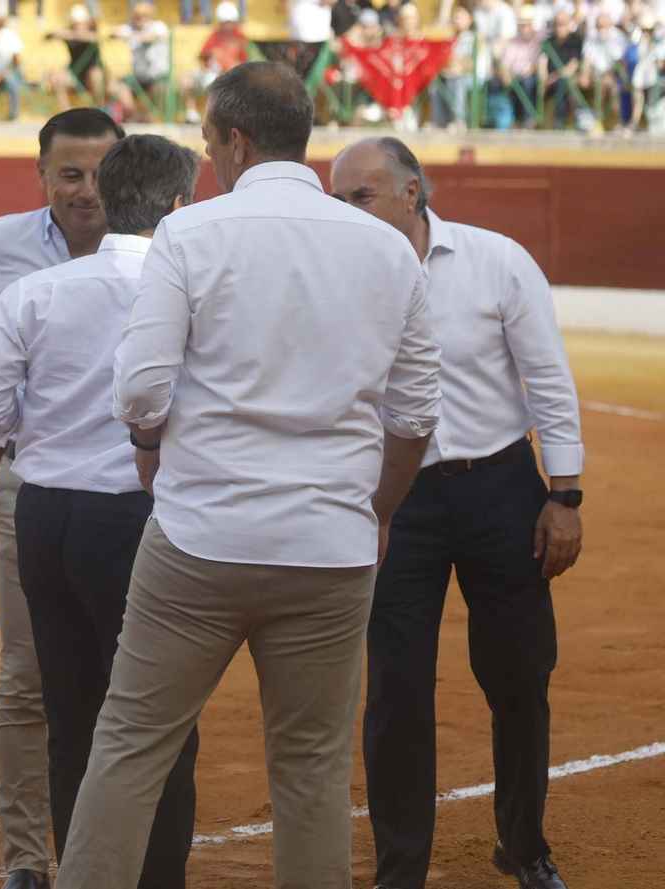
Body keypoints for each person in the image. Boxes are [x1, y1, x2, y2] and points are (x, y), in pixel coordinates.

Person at [57, 62, 443, 889]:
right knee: (310, 773)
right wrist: (375, 510)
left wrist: (156, 440)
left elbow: (139, 387)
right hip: (330, 545)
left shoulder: (191, 234)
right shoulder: (387, 246)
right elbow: (414, 416)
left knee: (129, 743)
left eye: (207, 141)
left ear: (234, 140)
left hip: (201, 537)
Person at [331, 136, 586, 889]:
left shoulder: (497, 259)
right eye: (337, 198)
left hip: (499, 489)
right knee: (396, 688)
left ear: (413, 191)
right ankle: (400, 867)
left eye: (360, 195)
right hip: (390, 499)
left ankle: (525, 844)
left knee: (518, 674)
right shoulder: (333, 274)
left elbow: (548, 377)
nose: (344, 211)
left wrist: (563, 494)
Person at [0, 133, 201, 889]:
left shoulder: (38, 289)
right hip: (133, 518)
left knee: (69, 718)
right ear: (176, 206)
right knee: (158, 726)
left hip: (43, 512)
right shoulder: (188, 292)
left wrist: (35, 446)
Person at [0, 107, 124, 889]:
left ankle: (116, 854)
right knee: (27, 678)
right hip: (34, 479)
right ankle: (27, 860)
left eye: (99, 174)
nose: (87, 191)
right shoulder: (5, 241)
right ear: (41, 174)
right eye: (69, 174)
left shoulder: (165, 243)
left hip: (142, 489)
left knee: (132, 682)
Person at [182, 2, 248, 123]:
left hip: (229, 77)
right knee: (186, 81)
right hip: (210, 73)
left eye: (229, 22)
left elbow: (244, 61)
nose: (226, 26)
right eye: (223, 22)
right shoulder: (214, 36)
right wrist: (211, 53)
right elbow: (201, 55)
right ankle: (191, 115)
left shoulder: (239, 38)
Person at [430, 5, 485, 131]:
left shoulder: (477, 37)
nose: (457, 20)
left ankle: (459, 119)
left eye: (460, 17)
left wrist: (456, 63)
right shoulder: (451, 38)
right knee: (436, 82)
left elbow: (473, 63)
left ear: (470, 19)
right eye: (455, 17)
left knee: (457, 81)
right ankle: (439, 121)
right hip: (453, 73)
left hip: (473, 76)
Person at [112, 3, 170, 121]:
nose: (140, 18)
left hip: (156, 77)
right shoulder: (131, 28)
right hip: (137, 77)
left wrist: (132, 36)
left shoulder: (158, 26)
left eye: (144, 15)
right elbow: (115, 33)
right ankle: (133, 113)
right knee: (115, 87)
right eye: (137, 16)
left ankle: (145, 116)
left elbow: (151, 37)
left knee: (161, 88)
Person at [46, 5, 105, 109]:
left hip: (90, 74)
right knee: (56, 77)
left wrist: (72, 35)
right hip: (75, 74)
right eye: (76, 23)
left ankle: (97, 109)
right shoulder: (68, 32)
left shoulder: (92, 32)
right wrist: (62, 34)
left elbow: (95, 37)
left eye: (81, 23)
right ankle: (66, 112)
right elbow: (49, 35)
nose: (78, 26)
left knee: (96, 76)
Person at [498, 6, 546, 128]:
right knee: (496, 83)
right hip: (515, 75)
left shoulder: (541, 38)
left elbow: (540, 60)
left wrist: (530, 70)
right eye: (521, 25)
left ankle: (527, 120)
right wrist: (505, 74)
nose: (523, 28)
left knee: (526, 83)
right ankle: (503, 121)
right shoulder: (514, 40)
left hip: (532, 75)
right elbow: (506, 62)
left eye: (526, 24)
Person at [545, 10, 585, 128]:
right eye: (557, 24)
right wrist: (544, 78)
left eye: (562, 23)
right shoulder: (549, 41)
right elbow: (542, 60)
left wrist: (553, 77)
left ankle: (560, 121)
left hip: (566, 79)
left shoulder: (576, 40)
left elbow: (573, 66)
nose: (559, 27)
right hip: (549, 80)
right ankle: (525, 121)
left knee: (561, 83)